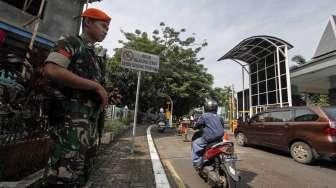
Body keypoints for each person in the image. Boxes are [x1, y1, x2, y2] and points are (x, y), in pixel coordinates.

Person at [43, 8, 111, 186]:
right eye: (103, 26)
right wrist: (95, 86)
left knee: (79, 178)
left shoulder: (95, 57)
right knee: (61, 178)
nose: (105, 31)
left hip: (89, 129)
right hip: (69, 126)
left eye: (107, 28)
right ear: (88, 22)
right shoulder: (71, 42)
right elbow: (52, 69)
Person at [191, 99, 225, 170]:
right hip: (219, 139)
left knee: (195, 143)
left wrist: (194, 126)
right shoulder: (220, 117)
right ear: (216, 108)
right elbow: (222, 126)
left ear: (206, 107)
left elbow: (197, 125)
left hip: (209, 138)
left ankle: (197, 163)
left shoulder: (204, 116)